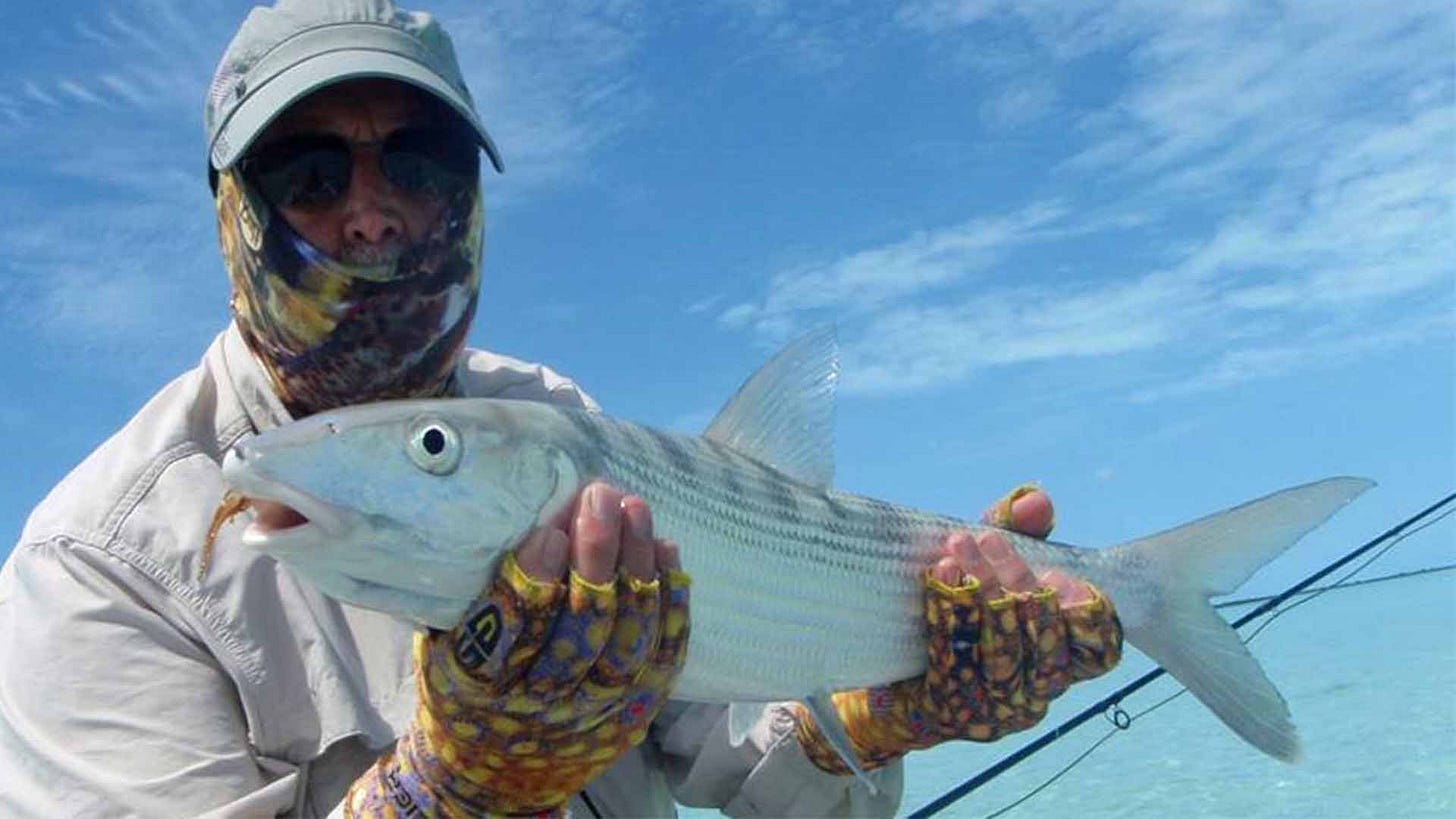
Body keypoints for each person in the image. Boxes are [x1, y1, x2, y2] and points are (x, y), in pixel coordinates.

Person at [0, 1, 1123, 816]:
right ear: (228, 211)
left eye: (421, 160)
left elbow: (745, 766)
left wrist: (880, 718)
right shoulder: (96, 565)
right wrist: (446, 793)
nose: (373, 216)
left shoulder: (556, 423)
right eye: (307, 173)